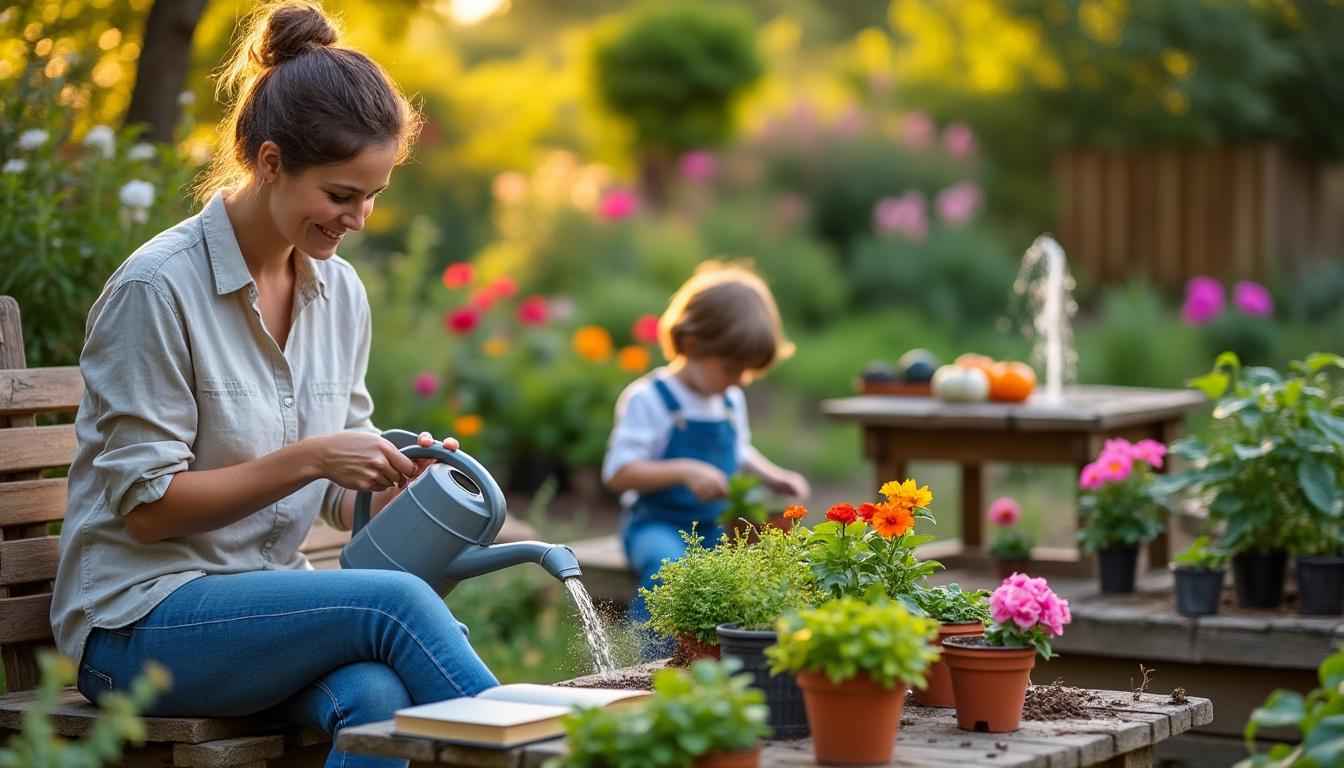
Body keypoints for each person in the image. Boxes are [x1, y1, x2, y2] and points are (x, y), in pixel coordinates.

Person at [49, 4, 495, 766]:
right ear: (271, 161)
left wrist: (394, 482)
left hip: (261, 611)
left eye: (374, 194)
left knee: (377, 702)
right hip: (136, 626)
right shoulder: (158, 289)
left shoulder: (340, 292)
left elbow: (335, 501)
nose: (359, 218)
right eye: (342, 194)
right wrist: (317, 457)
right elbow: (149, 513)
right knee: (393, 606)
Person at [602, 261, 811, 640]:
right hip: (657, 524)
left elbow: (739, 450)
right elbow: (619, 472)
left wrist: (773, 476)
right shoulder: (651, 399)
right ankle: (654, 662)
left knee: (757, 572)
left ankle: (727, 653)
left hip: (715, 527)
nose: (740, 380)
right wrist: (684, 470)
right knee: (671, 570)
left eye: (747, 372)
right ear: (692, 344)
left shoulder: (728, 398)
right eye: (732, 368)